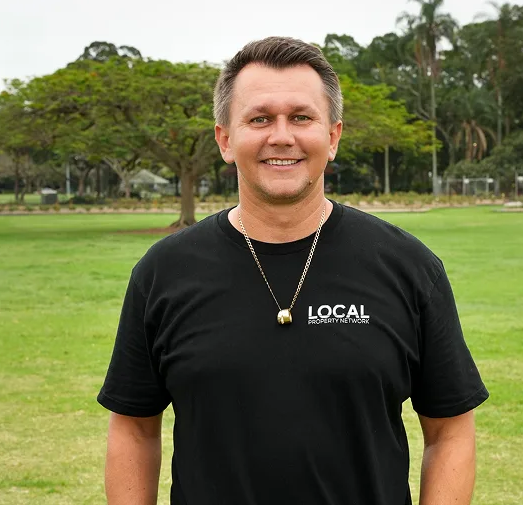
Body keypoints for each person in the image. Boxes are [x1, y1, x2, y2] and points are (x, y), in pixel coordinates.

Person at [97, 36, 489, 505]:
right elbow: (135, 429)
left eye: (301, 117)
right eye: (259, 119)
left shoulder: (408, 267)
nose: (281, 136)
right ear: (225, 139)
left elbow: (450, 431)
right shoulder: (163, 273)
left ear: (333, 136)